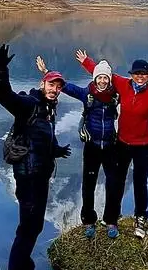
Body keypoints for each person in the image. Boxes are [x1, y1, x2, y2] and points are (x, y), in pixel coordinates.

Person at [75, 48, 148, 238]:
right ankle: (113, 216)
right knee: (117, 181)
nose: (140, 77)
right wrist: (86, 61)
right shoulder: (123, 84)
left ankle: (140, 217)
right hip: (122, 143)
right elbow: (103, 74)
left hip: (143, 145)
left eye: (143, 74)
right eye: (137, 73)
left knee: (140, 181)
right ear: (131, 75)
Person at [0, 43, 71, 270]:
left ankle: (24, 268)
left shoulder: (48, 109)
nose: (55, 89)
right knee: (28, 227)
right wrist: (1, 70)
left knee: (33, 225)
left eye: (58, 87)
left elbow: (41, 137)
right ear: (42, 84)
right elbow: (5, 96)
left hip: (39, 175)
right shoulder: (29, 104)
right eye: (51, 85)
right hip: (28, 176)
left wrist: (56, 150)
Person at [37, 53, 119, 238]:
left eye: (106, 78)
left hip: (110, 146)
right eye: (99, 77)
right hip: (92, 146)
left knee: (113, 184)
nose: (103, 81)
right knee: (89, 184)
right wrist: (46, 72)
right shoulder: (87, 94)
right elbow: (66, 87)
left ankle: (111, 221)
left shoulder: (115, 95)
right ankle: (89, 221)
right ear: (95, 79)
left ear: (109, 79)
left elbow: (134, 89)